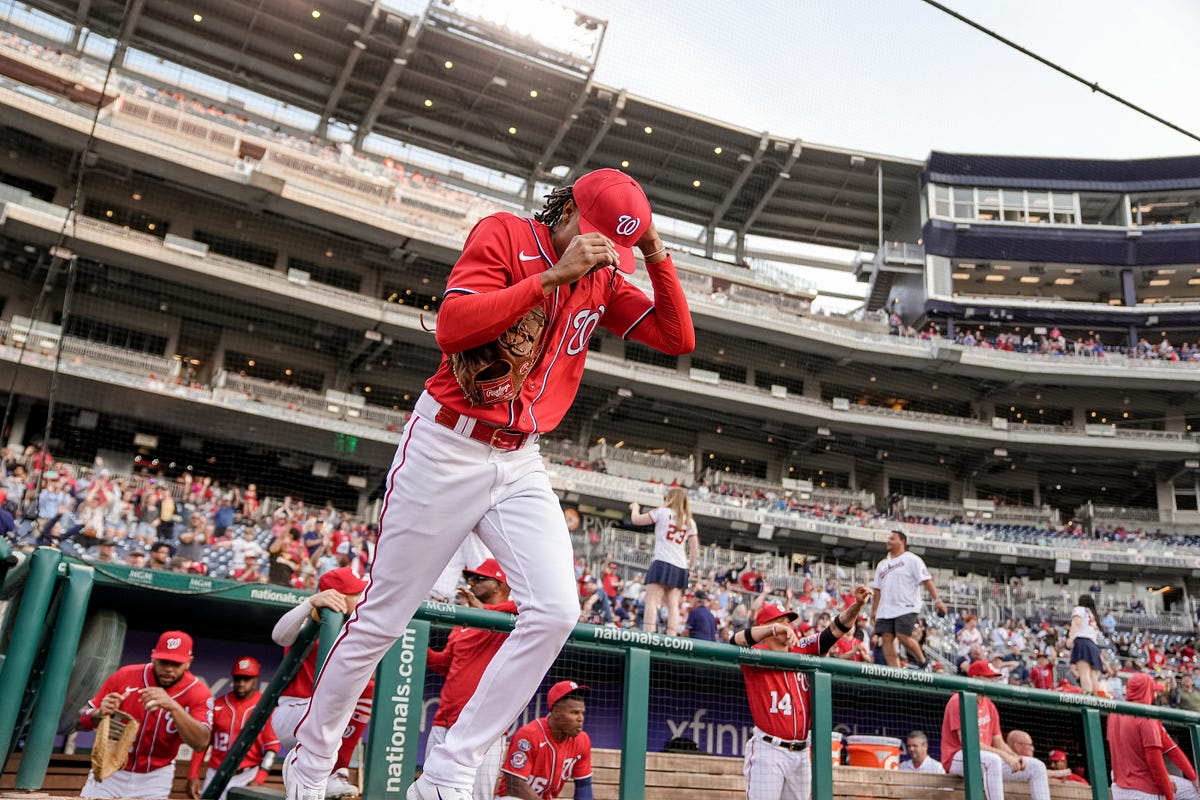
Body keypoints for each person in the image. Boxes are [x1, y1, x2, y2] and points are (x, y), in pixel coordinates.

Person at [283, 168, 694, 800]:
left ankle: (447, 771)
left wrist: (654, 249)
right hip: (447, 444)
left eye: (615, 243)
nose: (601, 250)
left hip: (520, 458)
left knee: (556, 610)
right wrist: (547, 280)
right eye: (596, 234)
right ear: (567, 211)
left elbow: (676, 336)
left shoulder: (605, 278)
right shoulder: (505, 234)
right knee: (383, 618)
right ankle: (310, 765)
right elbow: (451, 327)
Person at [734, 587, 871, 800]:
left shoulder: (802, 649)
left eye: (788, 622)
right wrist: (772, 630)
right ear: (766, 627)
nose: (786, 626)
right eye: (780, 621)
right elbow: (735, 641)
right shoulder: (756, 656)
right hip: (769, 749)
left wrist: (857, 605)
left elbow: (835, 629)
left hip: (801, 752)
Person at [77, 631, 213, 799]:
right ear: (153, 657)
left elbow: (201, 743)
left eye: (176, 664)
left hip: (155, 776)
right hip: (110, 768)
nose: (168, 669)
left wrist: (173, 707)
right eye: (163, 661)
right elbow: (79, 721)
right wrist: (98, 713)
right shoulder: (125, 676)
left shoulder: (197, 692)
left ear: (188, 663)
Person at [272, 568, 371, 799]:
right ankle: (305, 769)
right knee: (339, 704)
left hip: (321, 716)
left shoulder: (352, 627)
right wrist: (310, 603)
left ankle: (334, 773)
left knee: (364, 691)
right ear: (337, 596)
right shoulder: (313, 620)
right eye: (355, 593)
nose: (362, 597)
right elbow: (279, 636)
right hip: (293, 711)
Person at [426, 558, 518, 800]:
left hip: (485, 731)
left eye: (480, 578)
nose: (472, 583)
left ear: (500, 585)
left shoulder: (509, 618)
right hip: (445, 722)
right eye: (470, 578)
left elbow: (526, 606)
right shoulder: (463, 622)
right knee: (430, 793)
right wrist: (416, 645)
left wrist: (484, 610)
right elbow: (446, 664)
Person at [941, 659, 1050, 800]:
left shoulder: (989, 704)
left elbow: (998, 741)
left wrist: (1014, 756)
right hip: (956, 757)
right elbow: (969, 744)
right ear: (975, 678)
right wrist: (1004, 756)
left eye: (993, 678)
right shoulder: (958, 700)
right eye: (988, 677)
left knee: (1037, 766)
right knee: (993, 760)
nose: (992, 681)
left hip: (984, 760)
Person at [187, 657, 280, 800]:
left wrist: (258, 779)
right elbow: (202, 743)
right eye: (238, 678)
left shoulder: (265, 708)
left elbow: (271, 749)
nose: (241, 683)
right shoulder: (218, 704)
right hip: (215, 774)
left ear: (255, 679)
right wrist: (193, 775)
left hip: (246, 776)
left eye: (246, 679)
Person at [1108, 672, 1200, 800]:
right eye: (1153, 691)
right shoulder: (1147, 717)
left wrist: (1193, 777)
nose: (1155, 695)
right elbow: (1155, 763)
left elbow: (1172, 749)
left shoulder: (1113, 714)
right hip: (1144, 791)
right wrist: (1169, 795)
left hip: (1119, 790)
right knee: (1196, 792)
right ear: (1146, 692)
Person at [496, 681, 592, 800]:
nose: (580, 718)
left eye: (582, 713)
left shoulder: (582, 740)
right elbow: (514, 785)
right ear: (556, 712)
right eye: (574, 713)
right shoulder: (529, 735)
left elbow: (584, 785)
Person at [870, 530, 946, 669]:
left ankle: (923, 662)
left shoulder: (912, 559)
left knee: (902, 635)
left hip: (906, 606)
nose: (888, 541)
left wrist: (937, 601)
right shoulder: (882, 564)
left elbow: (926, 580)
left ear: (902, 541)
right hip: (886, 608)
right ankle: (894, 671)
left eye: (892, 538)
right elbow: (877, 590)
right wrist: (874, 611)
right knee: (886, 638)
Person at [630, 487, 700, 636]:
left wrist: (635, 508)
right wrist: (691, 567)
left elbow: (636, 520)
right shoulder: (690, 521)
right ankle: (671, 636)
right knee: (673, 604)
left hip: (662, 561)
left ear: (670, 499)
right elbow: (695, 549)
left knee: (652, 600)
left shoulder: (661, 512)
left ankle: (648, 634)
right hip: (680, 565)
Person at [1066, 594, 1102, 695]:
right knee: (1093, 676)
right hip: (1093, 645)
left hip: (1082, 642)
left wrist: (1070, 638)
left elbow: (1077, 622)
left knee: (1084, 673)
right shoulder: (1093, 615)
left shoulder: (1079, 609)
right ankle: (1098, 698)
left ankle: (1087, 696)